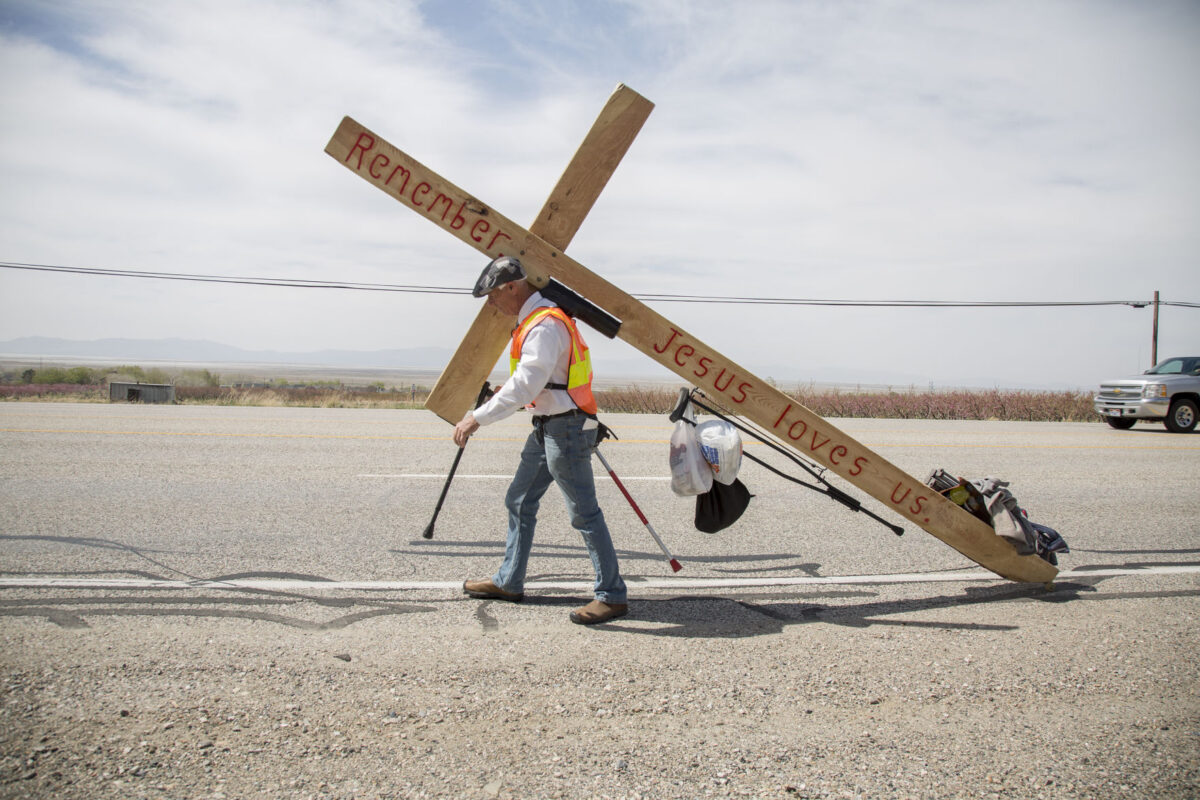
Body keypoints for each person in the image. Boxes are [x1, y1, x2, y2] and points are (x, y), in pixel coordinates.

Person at [454, 255, 628, 625]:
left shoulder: (545, 325)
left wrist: (477, 418)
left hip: (565, 430)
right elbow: (541, 382)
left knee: (584, 513)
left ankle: (611, 596)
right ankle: (509, 581)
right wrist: (511, 394)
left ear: (513, 287)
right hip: (548, 425)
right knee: (518, 499)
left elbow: (527, 384)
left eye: (493, 295)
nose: (492, 304)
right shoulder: (535, 321)